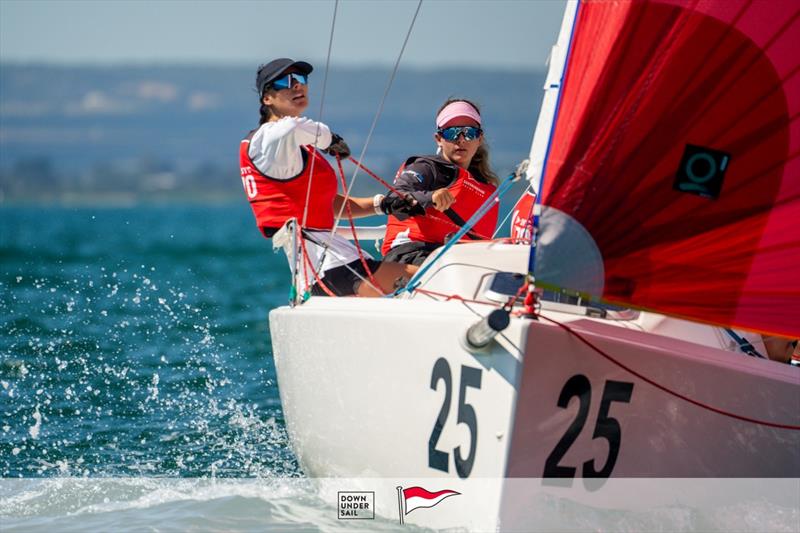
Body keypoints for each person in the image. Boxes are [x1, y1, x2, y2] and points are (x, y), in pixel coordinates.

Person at [239, 58, 417, 297]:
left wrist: (382, 204)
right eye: (285, 82)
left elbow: (327, 204)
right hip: (330, 269)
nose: (297, 86)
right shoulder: (268, 139)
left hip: (337, 263)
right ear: (267, 98)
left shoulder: (294, 148)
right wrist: (329, 139)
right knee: (436, 280)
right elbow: (292, 129)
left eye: (301, 80)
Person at [379, 98, 500, 265]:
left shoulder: (484, 185)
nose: (461, 139)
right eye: (452, 133)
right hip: (412, 257)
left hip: (459, 261)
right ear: (438, 138)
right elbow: (395, 196)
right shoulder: (426, 168)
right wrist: (431, 197)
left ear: (479, 139)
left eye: (469, 133)